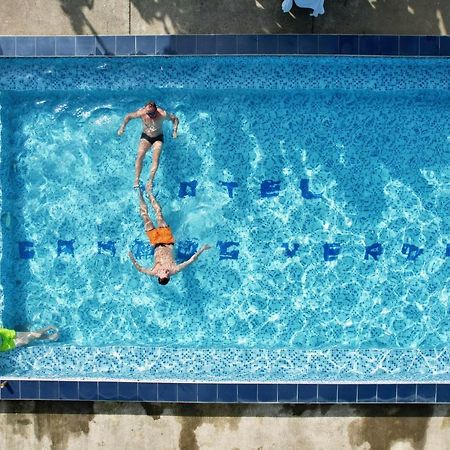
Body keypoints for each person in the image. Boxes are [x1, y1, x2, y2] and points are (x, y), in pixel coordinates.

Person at [128, 187, 210, 285]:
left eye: (165, 273)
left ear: (159, 276)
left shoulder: (153, 272)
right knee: (159, 214)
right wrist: (202, 249)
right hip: (167, 240)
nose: (167, 272)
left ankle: (140, 194)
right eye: (168, 274)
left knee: (145, 217)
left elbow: (140, 269)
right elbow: (191, 260)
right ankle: (150, 194)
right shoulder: (174, 269)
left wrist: (131, 257)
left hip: (155, 242)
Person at [117, 100, 179, 192]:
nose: (151, 116)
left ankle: (150, 181)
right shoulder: (142, 113)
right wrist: (122, 127)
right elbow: (128, 116)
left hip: (158, 138)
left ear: (156, 109)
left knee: (155, 159)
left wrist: (174, 131)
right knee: (140, 156)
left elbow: (175, 119)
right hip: (146, 137)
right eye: (148, 113)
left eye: (153, 113)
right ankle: (137, 179)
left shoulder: (162, 114)